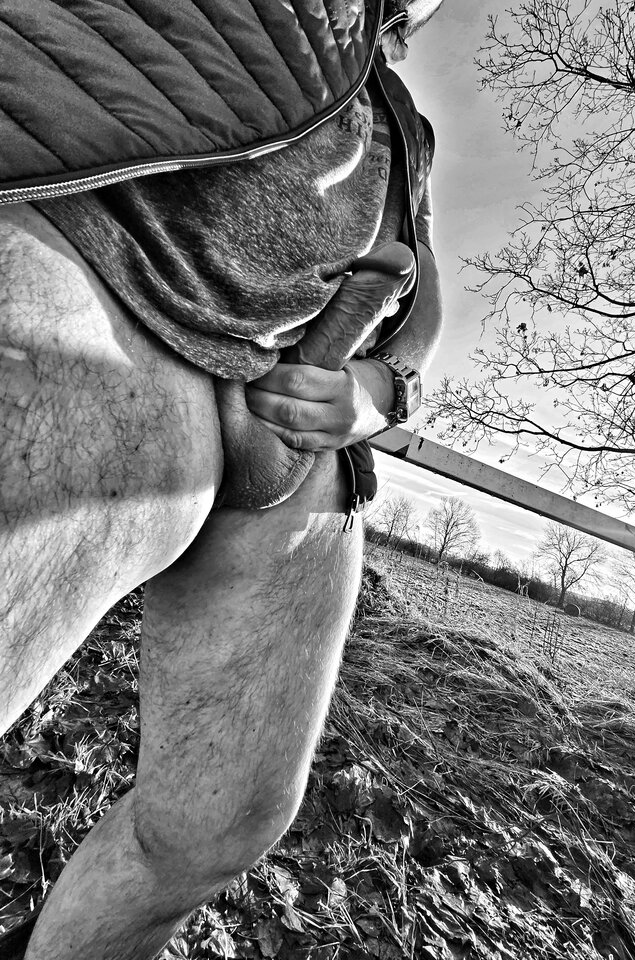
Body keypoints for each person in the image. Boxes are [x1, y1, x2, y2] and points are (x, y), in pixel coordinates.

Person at [0, 1, 444, 957]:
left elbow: (420, 308)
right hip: (104, 271)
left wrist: (376, 395)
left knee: (220, 821)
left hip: (294, 428)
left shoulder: (408, 128)